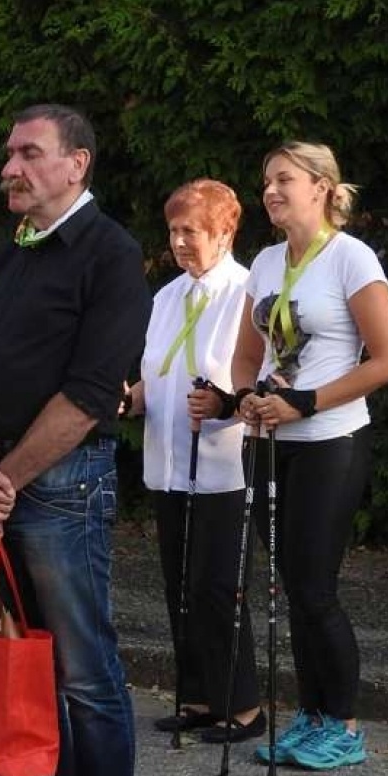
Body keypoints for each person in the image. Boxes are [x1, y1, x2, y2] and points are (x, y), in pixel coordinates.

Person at [0, 104, 151, 776]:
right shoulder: (14, 254)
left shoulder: (109, 253)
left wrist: (7, 478)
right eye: (9, 154)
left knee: (84, 671)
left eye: (31, 153)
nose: (12, 168)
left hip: (60, 490)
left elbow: (93, 394)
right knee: (19, 667)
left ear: (78, 164)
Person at [197, 141, 388, 769]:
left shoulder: (350, 258)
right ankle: (311, 718)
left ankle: (341, 724)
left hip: (329, 441)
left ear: (321, 186)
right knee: (289, 584)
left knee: (314, 587)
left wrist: (306, 402)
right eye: (265, 181)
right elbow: (244, 354)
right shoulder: (264, 261)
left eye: (284, 179)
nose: (271, 191)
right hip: (267, 442)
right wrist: (242, 399)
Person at [125, 180, 262, 743]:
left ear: (225, 232)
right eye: (174, 231)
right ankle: (198, 695)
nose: (181, 242)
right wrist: (127, 398)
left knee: (218, 584)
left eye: (193, 232)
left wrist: (226, 403)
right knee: (179, 582)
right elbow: (154, 376)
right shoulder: (166, 297)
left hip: (225, 461)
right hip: (169, 458)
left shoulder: (247, 293)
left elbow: (257, 376)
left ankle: (244, 704)